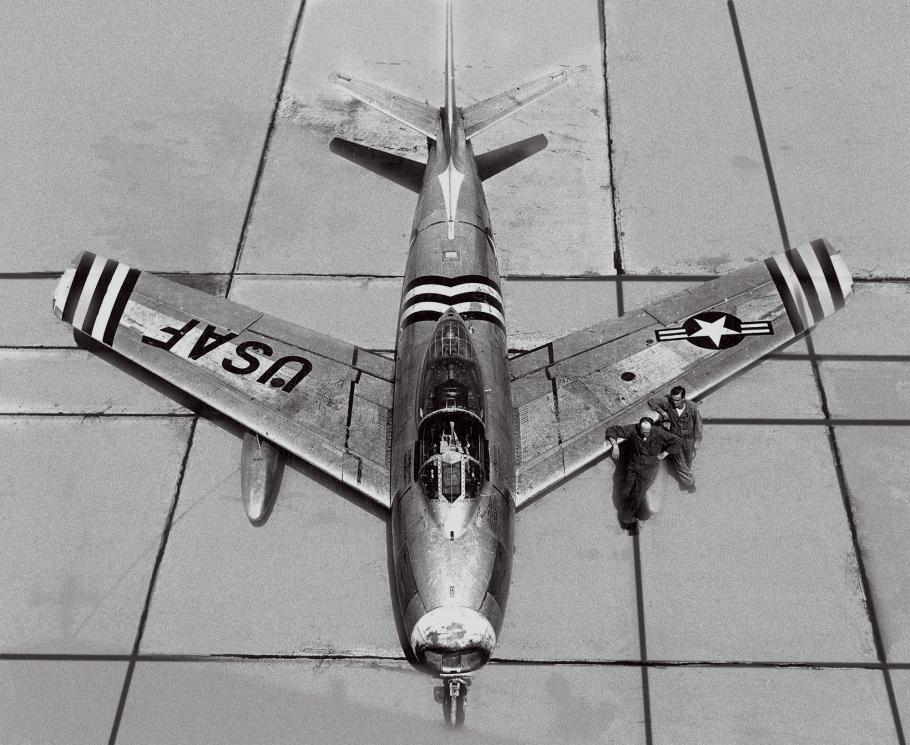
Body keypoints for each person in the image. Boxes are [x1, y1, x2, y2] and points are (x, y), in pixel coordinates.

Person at [605, 417, 682, 533]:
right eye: (642, 430)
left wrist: (664, 454)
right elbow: (612, 430)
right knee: (626, 491)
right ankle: (630, 510)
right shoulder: (634, 429)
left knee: (637, 495)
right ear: (639, 427)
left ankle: (629, 521)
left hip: (649, 470)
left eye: (647, 431)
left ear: (652, 428)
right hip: (633, 467)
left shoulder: (659, 433)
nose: (644, 433)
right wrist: (615, 445)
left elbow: (677, 441)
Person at [647, 386, 703, 493]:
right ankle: (689, 482)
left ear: (683, 398)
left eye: (677, 400)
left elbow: (698, 425)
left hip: (688, 439)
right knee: (679, 462)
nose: (674, 402)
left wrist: (697, 441)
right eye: (673, 399)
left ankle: (686, 474)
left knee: (688, 460)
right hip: (675, 438)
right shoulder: (669, 404)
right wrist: (662, 412)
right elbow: (651, 402)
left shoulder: (692, 408)